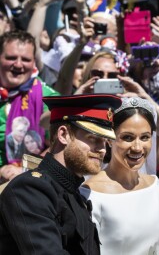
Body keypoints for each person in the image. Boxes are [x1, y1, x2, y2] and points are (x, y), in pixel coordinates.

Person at [0, 93, 122, 254]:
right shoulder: (30, 189)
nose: (102, 149)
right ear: (63, 135)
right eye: (93, 138)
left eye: (105, 141)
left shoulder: (75, 193)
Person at [81, 97, 159, 254]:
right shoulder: (90, 193)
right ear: (109, 139)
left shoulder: (155, 186)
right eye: (127, 138)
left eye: (145, 137)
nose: (137, 147)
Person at [0, 30, 59, 182]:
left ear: (33, 62)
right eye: (11, 58)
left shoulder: (48, 97)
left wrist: (25, 169)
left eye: (25, 59)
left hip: (29, 184)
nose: (18, 65)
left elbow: (63, 145)